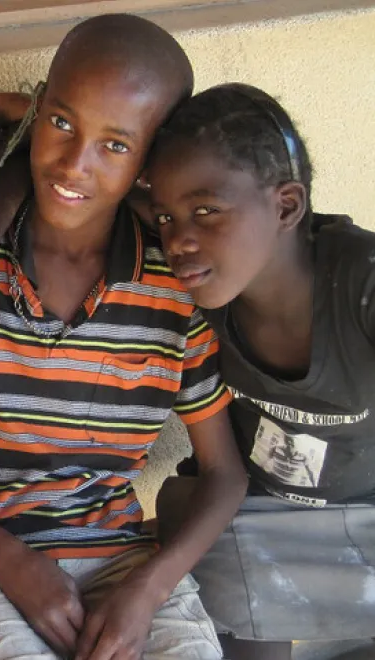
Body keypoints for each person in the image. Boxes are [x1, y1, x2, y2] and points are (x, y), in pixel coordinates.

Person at [0, 13, 249, 659]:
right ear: (37, 110)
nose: (75, 163)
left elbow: (225, 474)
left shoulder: (172, 291)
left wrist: (150, 589)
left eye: (115, 146)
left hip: (127, 563)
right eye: (63, 124)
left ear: (150, 163)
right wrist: (7, 561)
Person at [148, 84, 375, 660]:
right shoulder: (201, 290)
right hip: (254, 518)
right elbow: (84, 182)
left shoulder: (362, 289)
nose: (178, 240)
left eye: (206, 211)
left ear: (286, 206)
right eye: (166, 217)